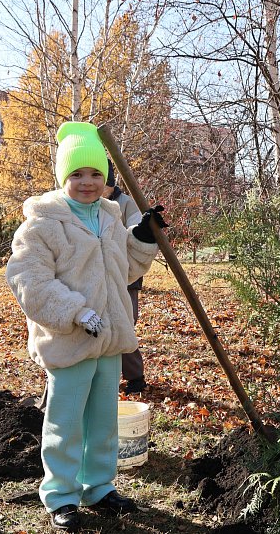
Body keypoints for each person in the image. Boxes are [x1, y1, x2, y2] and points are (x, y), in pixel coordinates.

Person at [5, 121, 168, 532]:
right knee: (65, 421)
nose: (87, 182)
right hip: (70, 339)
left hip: (110, 340)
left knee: (102, 419)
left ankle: (98, 487)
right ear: (63, 177)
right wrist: (77, 312)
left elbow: (125, 269)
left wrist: (143, 238)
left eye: (96, 173)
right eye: (76, 174)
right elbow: (29, 280)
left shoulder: (111, 219)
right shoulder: (42, 225)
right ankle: (61, 494)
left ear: (107, 179)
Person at [101, 162, 148, 394]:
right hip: (98, 276)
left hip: (127, 275)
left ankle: (135, 377)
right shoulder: (89, 202)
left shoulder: (126, 203)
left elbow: (136, 231)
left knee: (125, 324)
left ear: (110, 184)